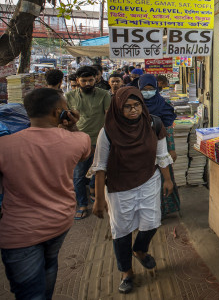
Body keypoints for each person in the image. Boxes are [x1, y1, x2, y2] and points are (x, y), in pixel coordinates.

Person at [0, 88, 90, 299]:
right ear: (58, 112)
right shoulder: (79, 140)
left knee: (29, 290)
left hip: (19, 232)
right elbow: (84, 151)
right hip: (60, 221)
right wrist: (72, 125)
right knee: (50, 265)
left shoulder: (4, 145)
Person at [92, 87, 174, 294]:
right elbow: (100, 166)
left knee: (152, 222)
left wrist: (167, 179)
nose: (133, 110)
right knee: (121, 230)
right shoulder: (108, 131)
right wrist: (99, 199)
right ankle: (126, 273)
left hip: (148, 180)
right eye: (127, 107)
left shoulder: (153, 124)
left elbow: (162, 155)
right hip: (119, 186)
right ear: (118, 108)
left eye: (136, 105)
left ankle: (139, 250)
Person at [66, 66, 111, 220]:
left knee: (99, 170)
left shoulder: (104, 94)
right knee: (78, 175)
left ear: (95, 79)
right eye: (84, 80)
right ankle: (82, 204)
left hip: (100, 139)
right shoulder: (69, 96)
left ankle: (93, 188)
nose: (87, 83)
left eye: (90, 80)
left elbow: (108, 116)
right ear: (77, 80)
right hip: (77, 141)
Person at [139, 74, 180, 218]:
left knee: (164, 177)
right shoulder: (135, 103)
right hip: (140, 150)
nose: (148, 92)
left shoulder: (163, 103)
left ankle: (163, 210)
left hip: (160, 146)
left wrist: (172, 149)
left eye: (151, 88)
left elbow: (168, 127)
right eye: (145, 89)